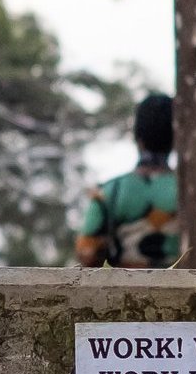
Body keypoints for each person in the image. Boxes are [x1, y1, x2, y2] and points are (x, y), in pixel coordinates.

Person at [76, 92, 182, 267]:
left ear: (137, 137)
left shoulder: (109, 191)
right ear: (175, 137)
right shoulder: (192, 194)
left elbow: (86, 254)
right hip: (185, 291)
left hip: (125, 292)